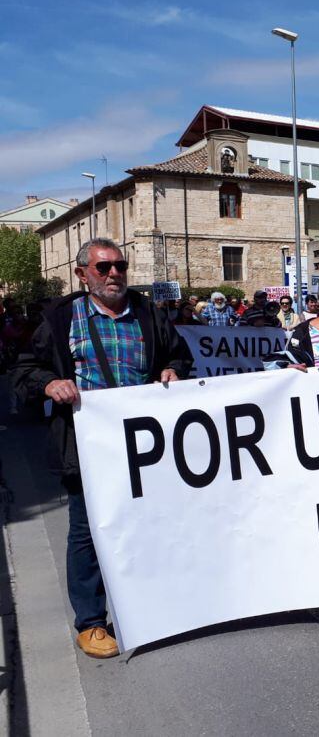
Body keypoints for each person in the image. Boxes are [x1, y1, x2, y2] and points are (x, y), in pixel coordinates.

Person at [12, 238, 191, 659]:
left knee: (148, 525)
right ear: (82, 274)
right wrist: (48, 384)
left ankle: (146, 608)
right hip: (86, 446)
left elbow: (180, 358)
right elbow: (25, 370)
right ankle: (91, 622)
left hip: (144, 446)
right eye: (103, 267)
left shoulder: (149, 314)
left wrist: (172, 370)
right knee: (87, 532)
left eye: (120, 266)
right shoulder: (60, 319)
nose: (114, 274)